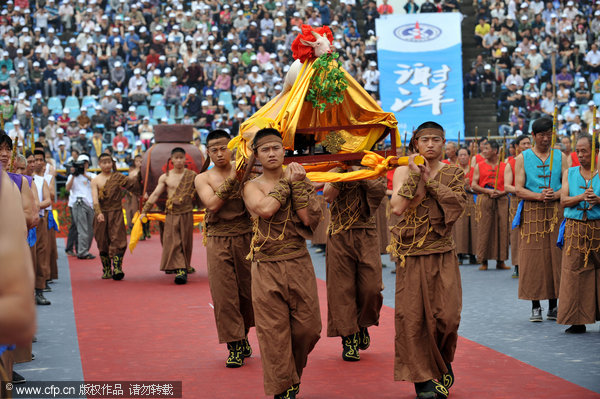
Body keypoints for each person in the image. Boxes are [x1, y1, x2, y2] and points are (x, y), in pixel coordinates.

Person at [242, 128, 322, 399]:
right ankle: (283, 388)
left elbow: (308, 219)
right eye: (265, 149)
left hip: (298, 260)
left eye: (276, 147)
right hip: (265, 264)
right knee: (273, 333)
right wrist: (287, 184)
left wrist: (298, 183)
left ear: (284, 150)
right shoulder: (250, 186)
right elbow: (264, 209)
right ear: (257, 155)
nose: (272, 153)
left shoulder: (299, 179)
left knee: (309, 328)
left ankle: (290, 374)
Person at [389, 121, 466, 399]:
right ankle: (422, 378)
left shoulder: (454, 172)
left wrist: (430, 181)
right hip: (411, 254)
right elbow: (397, 207)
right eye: (425, 140)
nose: (431, 144)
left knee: (448, 316)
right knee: (413, 318)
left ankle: (442, 360)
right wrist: (414, 176)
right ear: (416, 144)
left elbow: (456, 206)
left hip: (442, 251)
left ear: (444, 143)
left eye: (436, 140)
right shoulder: (401, 171)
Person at [194, 130, 254, 368]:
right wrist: (236, 177)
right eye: (214, 150)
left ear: (232, 147)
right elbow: (212, 204)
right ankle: (234, 345)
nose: (220, 154)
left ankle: (243, 334)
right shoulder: (203, 178)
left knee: (248, 292)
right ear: (208, 153)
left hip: (247, 236)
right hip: (218, 238)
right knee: (223, 293)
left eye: (223, 148)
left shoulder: (246, 168)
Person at [322, 164, 385, 361]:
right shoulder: (335, 170)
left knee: (371, 288)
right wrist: (343, 173)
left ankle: (362, 324)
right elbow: (328, 196)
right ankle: (348, 339)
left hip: (366, 233)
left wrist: (359, 172)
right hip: (339, 234)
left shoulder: (373, 168)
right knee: (341, 289)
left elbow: (379, 191)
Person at [514, 117, 567, 322]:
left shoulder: (560, 156)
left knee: (555, 255)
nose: (546, 139)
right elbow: (518, 188)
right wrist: (538, 196)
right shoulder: (523, 157)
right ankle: (535, 305)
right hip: (532, 212)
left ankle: (554, 304)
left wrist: (555, 194)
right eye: (542, 135)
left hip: (555, 211)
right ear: (534, 136)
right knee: (533, 258)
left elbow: (566, 185)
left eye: (549, 135)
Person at [557, 134, 600, 334]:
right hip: (575, 228)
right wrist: (581, 197)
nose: (580, 155)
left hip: (597, 227)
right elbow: (563, 200)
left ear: (596, 152)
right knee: (574, 272)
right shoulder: (570, 173)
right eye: (578, 151)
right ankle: (576, 320)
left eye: (585, 151)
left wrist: (598, 199)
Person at [141, 148, 197, 285]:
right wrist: (145, 209)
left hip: (187, 212)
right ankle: (181, 270)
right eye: (176, 158)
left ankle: (183, 266)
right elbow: (155, 194)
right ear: (171, 160)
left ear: (185, 159)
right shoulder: (165, 176)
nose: (178, 160)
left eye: (181, 158)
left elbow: (200, 193)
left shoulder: (193, 175)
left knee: (185, 241)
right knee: (174, 241)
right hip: (172, 213)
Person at [91, 154, 141, 280]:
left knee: (118, 239)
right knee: (103, 241)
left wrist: (141, 174)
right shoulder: (95, 180)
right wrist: (99, 213)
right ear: (99, 164)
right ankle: (107, 269)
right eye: (104, 162)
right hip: (102, 214)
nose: (107, 165)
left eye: (109, 162)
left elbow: (132, 184)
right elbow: (95, 199)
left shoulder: (117, 177)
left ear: (112, 163)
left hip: (116, 213)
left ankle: (117, 268)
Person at [471, 141, 510, 270]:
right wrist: (488, 191)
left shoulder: (505, 166)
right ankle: (483, 260)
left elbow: (510, 185)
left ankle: (501, 260)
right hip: (485, 198)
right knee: (484, 228)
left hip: (502, 198)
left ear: (494, 151)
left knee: (502, 228)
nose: (484, 151)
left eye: (487, 148)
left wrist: (502, 192)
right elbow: (474, 185)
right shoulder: (479, 165)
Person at [505, 135, 532, 278]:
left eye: (529, 143)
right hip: (518, 200)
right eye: (524, 143)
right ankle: (517, 264)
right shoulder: (511, 163)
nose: (527, 146)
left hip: (534, 201)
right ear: (517, 147)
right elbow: (506, 186)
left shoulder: (534, 161)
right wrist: (521, 190)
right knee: (517, 233)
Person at [65, 154, 96, 260]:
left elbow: (96, 183)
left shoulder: (92, 175)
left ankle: (84, 250)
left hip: (90, 204)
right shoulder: (73, 176)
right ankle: (82, 252)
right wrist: (74, 174)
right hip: (78, 203)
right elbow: (67, 188)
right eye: (81, 163)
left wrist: (84, 174)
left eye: (85, 163)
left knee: (90, 230)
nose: (83, 165)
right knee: (81, 229)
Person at [452, 147, 477, 264]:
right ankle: (460, 254)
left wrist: (470, 188)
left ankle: (473, 255)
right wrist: (462, 186)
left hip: (472, 200)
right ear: (457, 157)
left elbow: (478, 185)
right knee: (460, 228)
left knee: (473, 226)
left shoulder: (474, 170)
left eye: (465, 155)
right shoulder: (454, 170)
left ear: (469, 156)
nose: (463, 157)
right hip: (458, 201)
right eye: (460, 155)